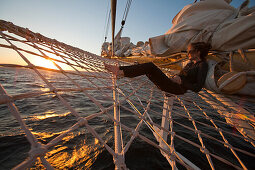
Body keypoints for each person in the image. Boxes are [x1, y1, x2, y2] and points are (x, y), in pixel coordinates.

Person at [105, 42, 211, 95]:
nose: (188, 53)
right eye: (187, 51)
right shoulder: (190, 64)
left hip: (177, 89)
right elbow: (182, 75)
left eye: (190, 51)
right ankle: (119, 70)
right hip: (171, 83)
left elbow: (197, 88)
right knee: (147, 68)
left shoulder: (203, 65)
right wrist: (175, 77)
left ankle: (120, 72)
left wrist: (181, 81)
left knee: (150, 66)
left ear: (198, 52)